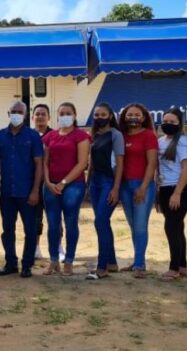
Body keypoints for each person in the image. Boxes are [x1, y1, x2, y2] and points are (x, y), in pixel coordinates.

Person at [0, 100, 43, 278]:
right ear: (8, 113)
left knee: (30, 230)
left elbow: (39, 164)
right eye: (13, 111)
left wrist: (35, 190)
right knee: (8, 230)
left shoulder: (33, 136)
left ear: (25, 115)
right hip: (7, 192)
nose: (16, 114)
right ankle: (10, 263)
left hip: (27, 193)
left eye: (20, 112)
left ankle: (27, 265)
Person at [42, 102, 90, 276]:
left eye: (68, 113)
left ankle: (69, 261)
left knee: (70, 223)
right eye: (61, 113)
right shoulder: (50, 136)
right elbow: (45, 162)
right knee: (53, 225)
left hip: (73, 185)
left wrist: (63, 182)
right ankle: (54, 260)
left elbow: (82, 163)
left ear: (75, 115)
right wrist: (48, 182)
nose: (65, 116)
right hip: (51, 185)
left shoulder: (81, 136)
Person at [118, 103, 159, 279]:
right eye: (129, 115)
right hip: (124, 186)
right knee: (133, 225)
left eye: (136, 115)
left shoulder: (148, 135)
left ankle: (140, 264)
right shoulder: (121, 136)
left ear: (143, 117)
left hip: (143, 185)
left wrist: (143, 187)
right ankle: (137, 260)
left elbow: (152, 163)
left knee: (141, 226)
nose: (133, 118)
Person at [86, 103, 124, 280]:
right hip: (95, 182)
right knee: (103, 222)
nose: (99, 117)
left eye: (103, 114)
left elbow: (120, 163)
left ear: (110, 116)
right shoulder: (95, 135)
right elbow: (92, 162)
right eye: (96, 115)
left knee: (100, 221)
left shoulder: (116, 135)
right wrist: (88, 182)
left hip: (109, 181)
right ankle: (112, 262)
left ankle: (102, 267)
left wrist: (116, 188)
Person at [157, 107, 187, 282]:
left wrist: (177, 193)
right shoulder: (160, 141)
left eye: (172, 122)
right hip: (165, 189)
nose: (168, 124)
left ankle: (174, 268)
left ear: (179, 123)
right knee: (178, 227)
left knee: (171, 227)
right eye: (165, 121)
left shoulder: (183, 142)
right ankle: (182, 266)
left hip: (180, 189)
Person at [31, 104, 54, 260]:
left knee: (54, 217)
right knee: (35, 217)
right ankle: (36, 248)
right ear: (33, 117)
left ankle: (57, 247)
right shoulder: (28, 135)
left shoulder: (55, 135)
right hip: (34, 183)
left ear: (49, 117)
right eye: (37, 114)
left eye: (43, 114)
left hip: (52, 182)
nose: (40, 117)